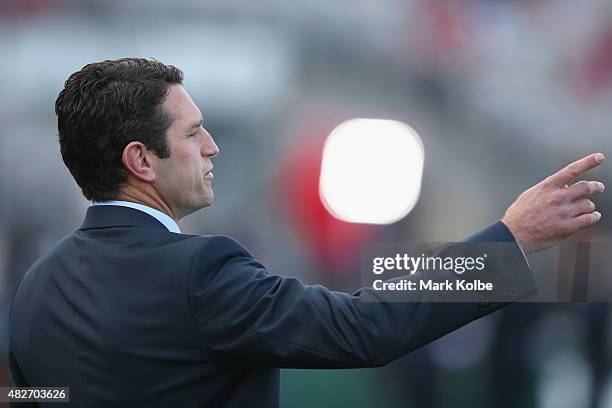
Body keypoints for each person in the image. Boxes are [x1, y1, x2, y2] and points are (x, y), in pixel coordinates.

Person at [8, 58, 606, 407]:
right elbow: (365, 324)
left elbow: (37, 400)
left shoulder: (35, 288)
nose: (211, 147)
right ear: (142, 160)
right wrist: (510, 240)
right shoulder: (200, 271)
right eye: (192, 134)